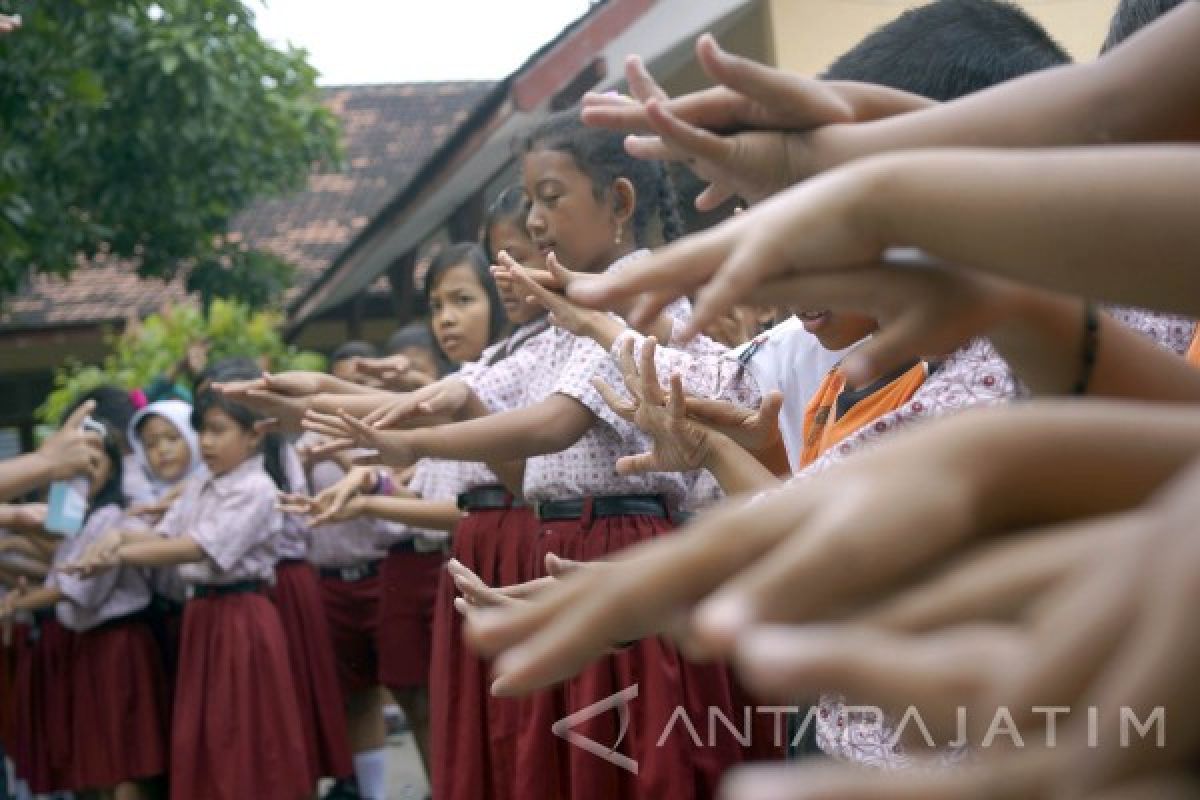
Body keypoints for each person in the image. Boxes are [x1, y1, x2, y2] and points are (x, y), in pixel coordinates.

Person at [306, 111, 764, 799]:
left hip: (616, 543)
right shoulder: (566, 313)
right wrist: (324, 402)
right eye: (530, 203)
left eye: (551, 198)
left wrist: (408, 441)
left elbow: (551, 425)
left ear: (618, 203)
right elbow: (472, 401)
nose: (536, 221)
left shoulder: (632, 293)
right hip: (564, 543)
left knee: (622, 762)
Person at [63, 386, 311, 800]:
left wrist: (120, 552)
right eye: (202, 431)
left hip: (241, 617)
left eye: (218, 431)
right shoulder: (201, 485)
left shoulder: (257, 488)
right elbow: (163, 532)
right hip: (203, 616)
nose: (207, 443)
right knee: (209, 732)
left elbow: (198, 545)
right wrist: (117, 535)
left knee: (245, 731)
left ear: (254, 435)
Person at [2, 424, 168, 799]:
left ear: (113, 466)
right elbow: (57, 562)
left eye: (96, 459)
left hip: (120, 645)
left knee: (127, 761)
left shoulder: (112, 515)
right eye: (77, 459)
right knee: (98, 762)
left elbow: (80, 588)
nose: (86, 468)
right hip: (87, 645)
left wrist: (18, 604)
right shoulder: (74, 513)